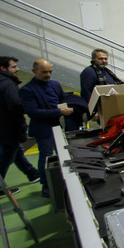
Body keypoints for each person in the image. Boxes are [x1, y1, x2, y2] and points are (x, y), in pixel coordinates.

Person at [0, 56, 40, 193]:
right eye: (13, 67)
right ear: (3, 68)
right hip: (7, 126)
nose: (17, 69)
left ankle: (32, 174)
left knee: (15, 150)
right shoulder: (6, 84)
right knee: (6, 156)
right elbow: (16, 105)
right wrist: (32, 107)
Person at [20, 59, 75, 197]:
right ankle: (47, 186)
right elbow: (33, 112)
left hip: (59, 126)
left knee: (65, 155)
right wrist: (59, 112)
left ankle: (68, 182)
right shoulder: (27, 90)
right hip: (43, 129)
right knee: (46, 157)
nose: (48, 74)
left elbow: (63, 99)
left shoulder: (55, 85)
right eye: (44, 72)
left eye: (50, 71)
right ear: (34, 71)